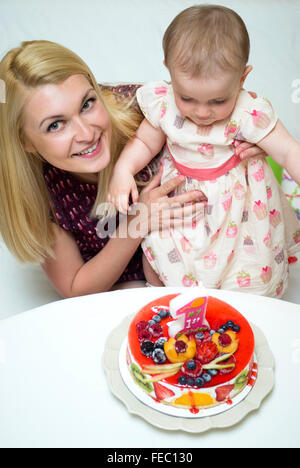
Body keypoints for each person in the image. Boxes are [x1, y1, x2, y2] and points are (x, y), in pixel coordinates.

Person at [0, 39, 266, 298]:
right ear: (25, 142)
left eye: (87, 104)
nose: (86, 133)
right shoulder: (39, 193)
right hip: (136, 292)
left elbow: (230, 102)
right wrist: (137, 223)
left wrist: (254, 137)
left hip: (218, 262)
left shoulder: (146, 112)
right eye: (55, 125)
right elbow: (74, 287)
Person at [107, 5, 300, 297]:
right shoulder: (164, 103)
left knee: (246, 268)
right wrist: (123, 170)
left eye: (218, 101)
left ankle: (241, 309)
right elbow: (145, 143)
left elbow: (287, 151)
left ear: (243, 79)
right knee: (158, 251)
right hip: (183, 204)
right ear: (168, 69)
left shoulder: (248, 112)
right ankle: (162, 300)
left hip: (238, 210)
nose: (202, 112)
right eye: (188, 98)